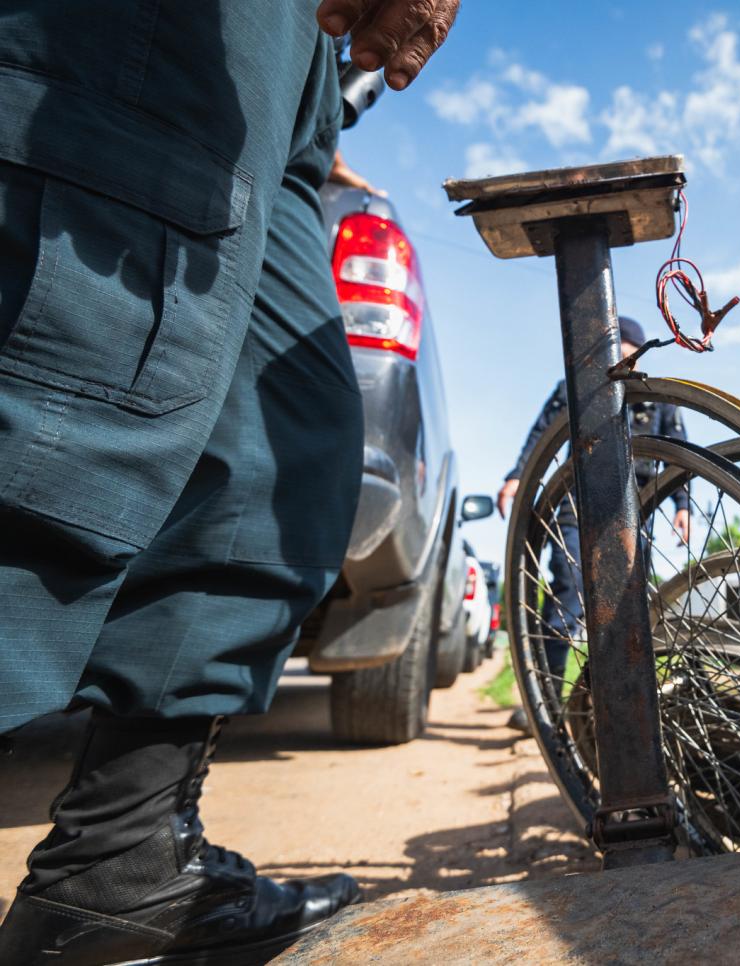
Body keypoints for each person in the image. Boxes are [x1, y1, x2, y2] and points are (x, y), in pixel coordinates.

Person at [0, 2, 459, 960]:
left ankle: (119, 865)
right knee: (71, 398)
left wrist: (299, 122)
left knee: (283, 454)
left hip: (280, 88)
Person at [496, 316, 691, 731]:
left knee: (628, 601)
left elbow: (678, 448)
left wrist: (683, 503)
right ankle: (545, 705)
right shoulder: (574, 386)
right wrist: (517, 475)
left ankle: (625, 706)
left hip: (636, 502)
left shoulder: (657, 397)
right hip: (577, 496)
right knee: (569, 589)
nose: (622, 359)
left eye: (628, 351)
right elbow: (542, 431)